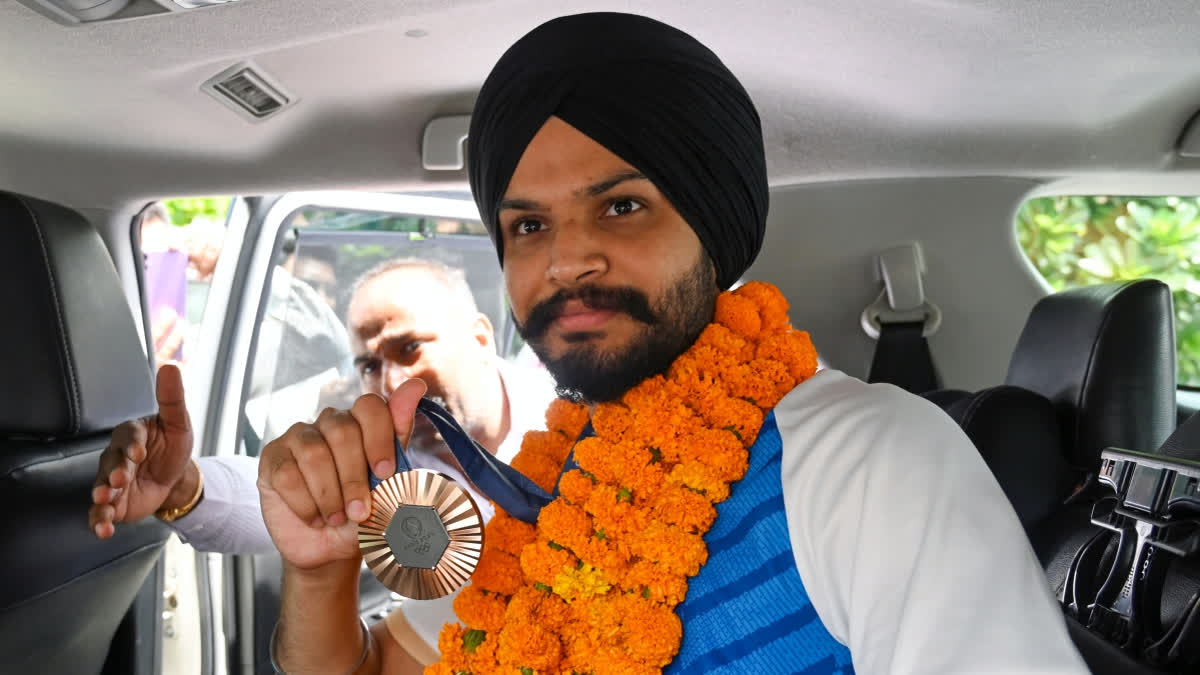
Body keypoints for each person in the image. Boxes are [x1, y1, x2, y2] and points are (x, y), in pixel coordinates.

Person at [259, 12, 1088, 675]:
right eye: (528, 223)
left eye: (621, 206)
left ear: (713, 228)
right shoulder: (548, 499)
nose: (566, 258)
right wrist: (320, 570)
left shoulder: (870, 459)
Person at [89, 257, 555, 658]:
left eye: (409, 348)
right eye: (369, 366)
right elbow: (294, 498)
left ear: (480, 338)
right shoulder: (387, 458)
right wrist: (183, 488)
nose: (390, 382)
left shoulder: (581, 432)